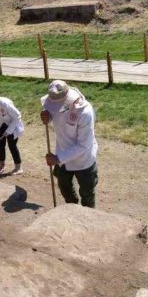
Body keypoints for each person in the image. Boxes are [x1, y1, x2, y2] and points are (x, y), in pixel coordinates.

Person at [40, 80, 98, 208]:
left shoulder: (85, 112)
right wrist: (47, 117)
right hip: (62, 153)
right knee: (64, 186)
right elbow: (54, 114)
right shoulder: (55, 100)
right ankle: (72, 208)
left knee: (87, 192)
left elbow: (84, 145)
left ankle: (88, 216)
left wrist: (57, 158)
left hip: (83, 159)